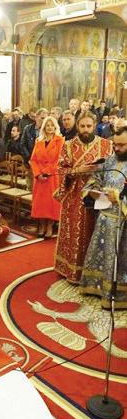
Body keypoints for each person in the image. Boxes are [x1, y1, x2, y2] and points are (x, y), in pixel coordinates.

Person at [54, 111, 112, 284]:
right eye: (82, 126)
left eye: (89, 126)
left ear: (94, 126)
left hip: (99, 195)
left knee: (97, 232)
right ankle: (72, 270)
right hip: (75, 196)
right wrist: (77, 170)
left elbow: (113, 168)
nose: (86, 129)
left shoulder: (106, 145)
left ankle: (95, 274)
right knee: (75, 233)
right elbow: (61, 169)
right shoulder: (68, 145)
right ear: (77, 126)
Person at [79, 126, 127, 308]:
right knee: (101, 254)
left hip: (123, 223)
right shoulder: (110, 160)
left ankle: (118, 295)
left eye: (122, 145)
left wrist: (119, 197)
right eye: (115, 144)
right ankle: (98, 288)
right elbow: (95, 179)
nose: (117, 148)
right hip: (105, 218)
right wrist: (93, 191)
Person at [30, 116, 65, 238]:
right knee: (40, 203)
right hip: (39, 178)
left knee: (51, 203)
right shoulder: (39, 141)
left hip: (52, 176)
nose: (50, 127)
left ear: (55, 127)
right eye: (47, 125)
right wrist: (38, 174)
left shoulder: (60, 140)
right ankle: (42, 225)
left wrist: (46, 172)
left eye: (52, 125)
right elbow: (33, 160)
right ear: (44, 127)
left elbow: (59, 160)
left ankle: (50, 226)